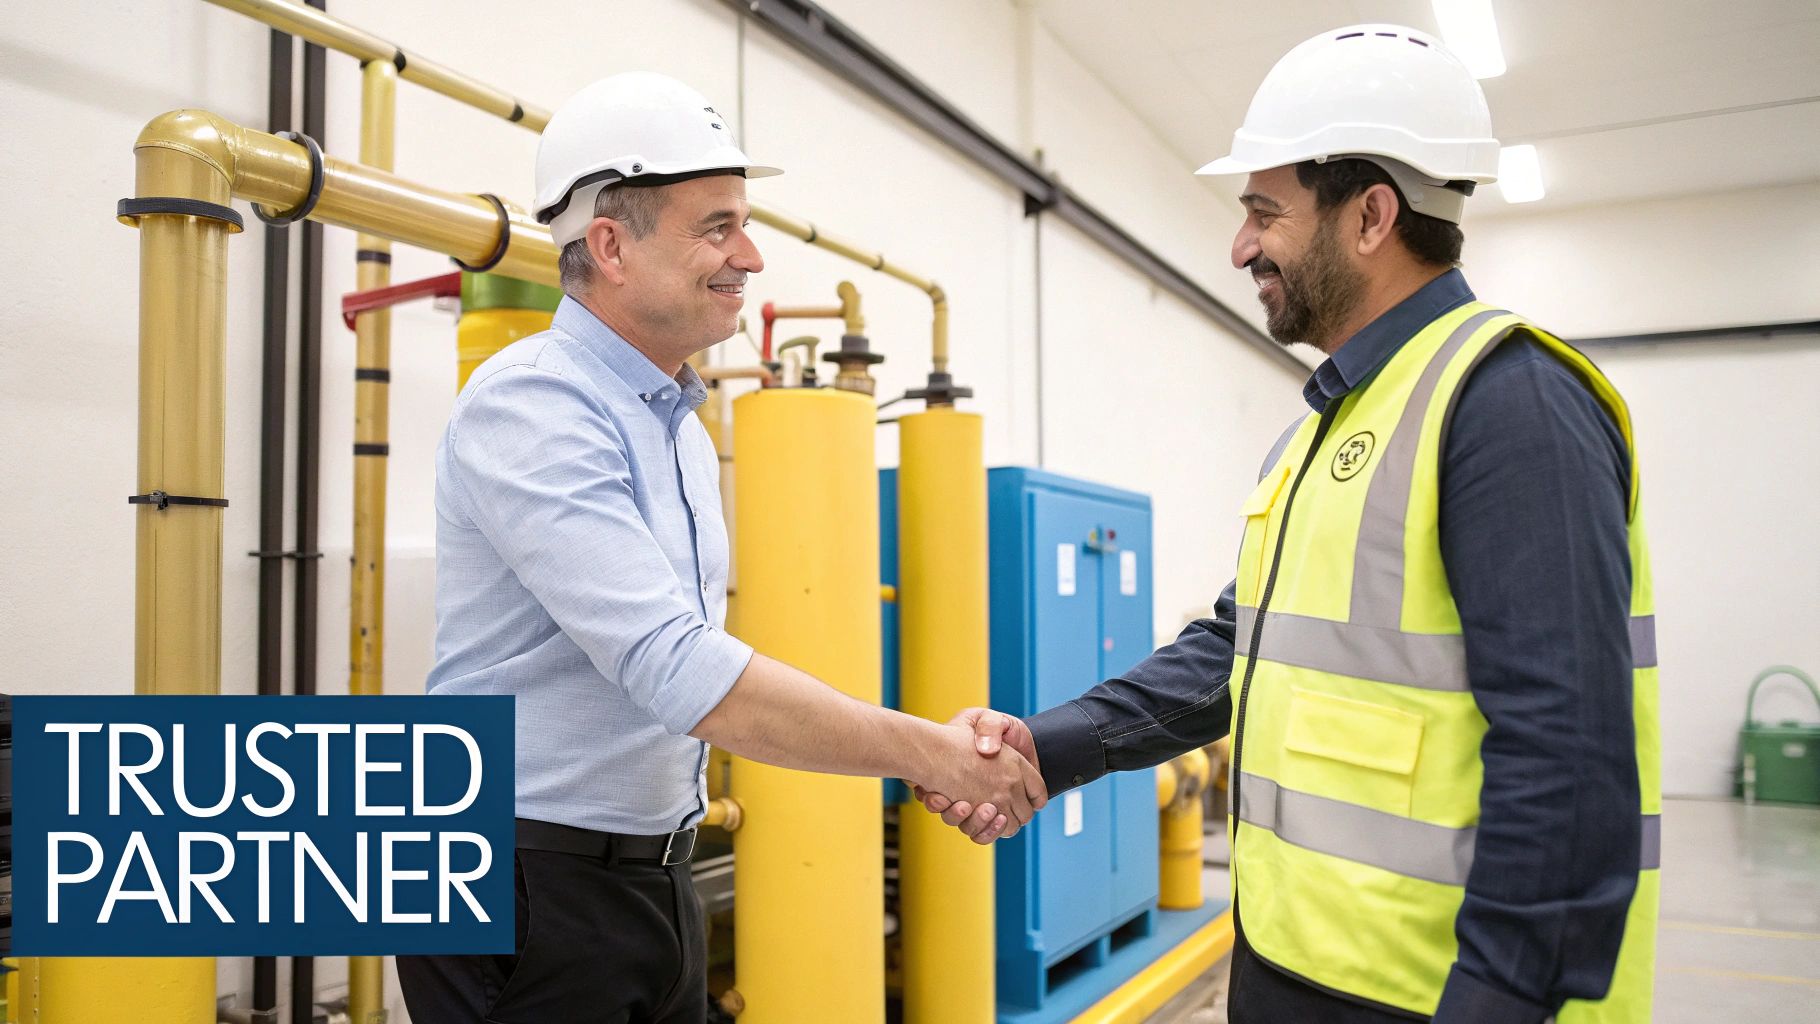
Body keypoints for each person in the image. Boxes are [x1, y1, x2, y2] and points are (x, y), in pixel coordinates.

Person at [917, 25, 1659, 1024]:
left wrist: (1495, 998)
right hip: (1292, 965)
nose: (1239, 246)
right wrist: (1047, 747)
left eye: (1263, 212)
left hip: (1434, 993)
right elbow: (1239, 651)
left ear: (1369, 216)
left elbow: (1564, 757)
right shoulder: (1327, 424)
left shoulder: (1507, 405)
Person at [399, 72, 1044, 1024]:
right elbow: (678, 669)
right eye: (717, 227)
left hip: (652, 877)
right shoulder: (530, 402)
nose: (749, 254)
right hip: (526, 887)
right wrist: (934, 756)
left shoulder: (679, 426)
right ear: (610, 245)